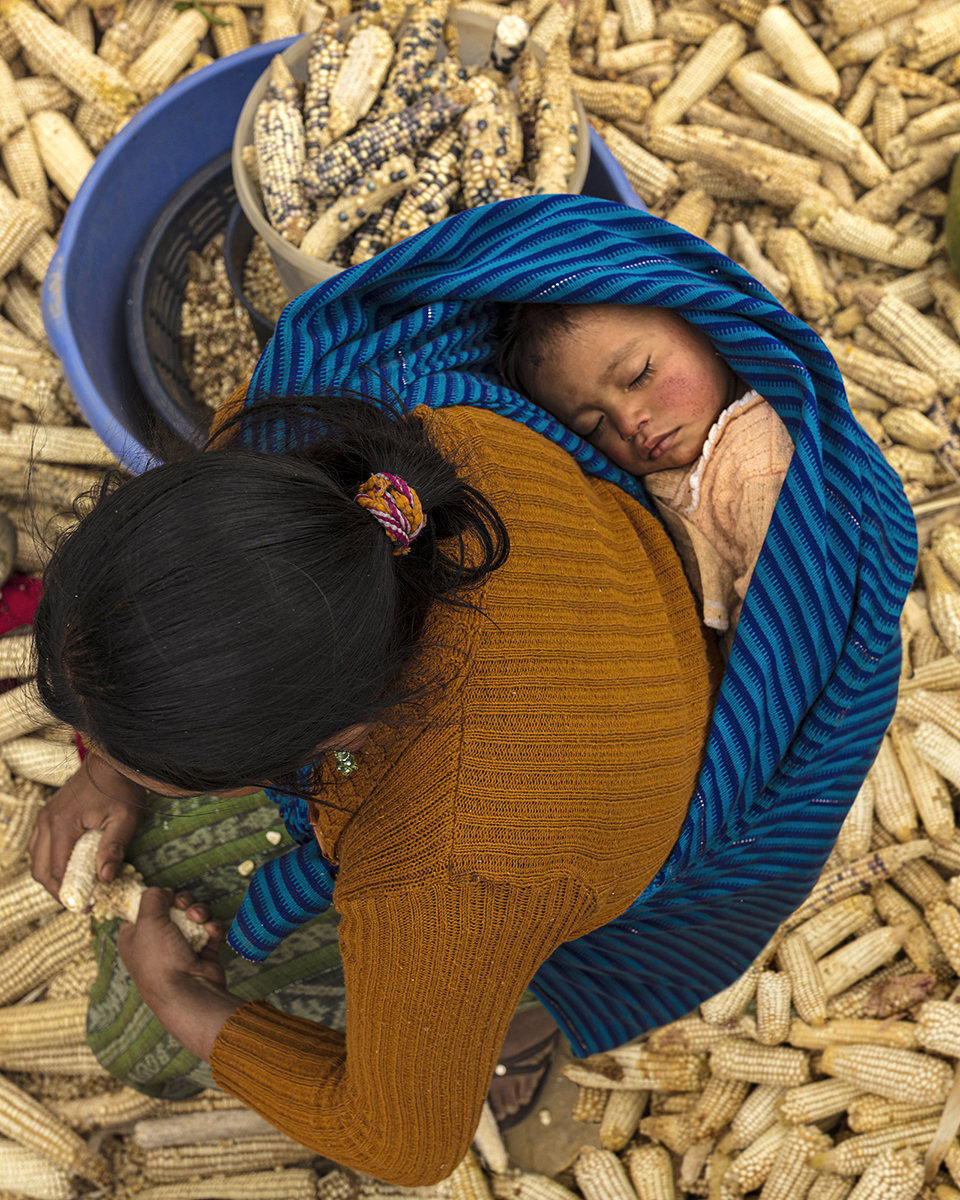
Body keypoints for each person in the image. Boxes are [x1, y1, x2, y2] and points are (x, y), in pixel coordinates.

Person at [28, 194, 915, 1185]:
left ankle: (523, 1017)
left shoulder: (445, 867)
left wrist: (183, 1007)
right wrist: (109, 746)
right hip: (599, 653)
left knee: (126, 1043)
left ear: (321, 749)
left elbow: (410, 1144)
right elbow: (224, 529)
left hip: (594, 822)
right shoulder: (429, 455)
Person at [496, 301, 795, 656]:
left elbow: (780, 617)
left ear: (702, 323)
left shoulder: (764, 468)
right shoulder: (684, 458)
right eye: (594, 426)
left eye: (638, 375)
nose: (627, 423)